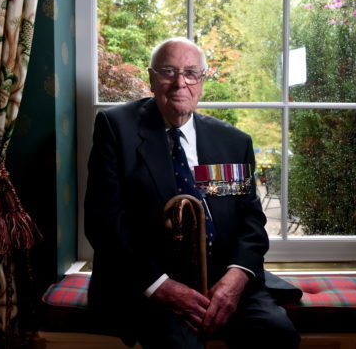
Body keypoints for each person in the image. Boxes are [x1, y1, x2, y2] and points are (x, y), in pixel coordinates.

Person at [84, 37, 299, 349]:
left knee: (277, 333)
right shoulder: (115, 127)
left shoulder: (233, 141)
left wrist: (235, 280)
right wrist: (162, 287)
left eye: (190, 73)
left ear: (202, 80)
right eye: (168, 72)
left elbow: (251, 224)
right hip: (150, 281)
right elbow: (103, 223)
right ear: (151, 78)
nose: (179, 83)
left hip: (225, 279)